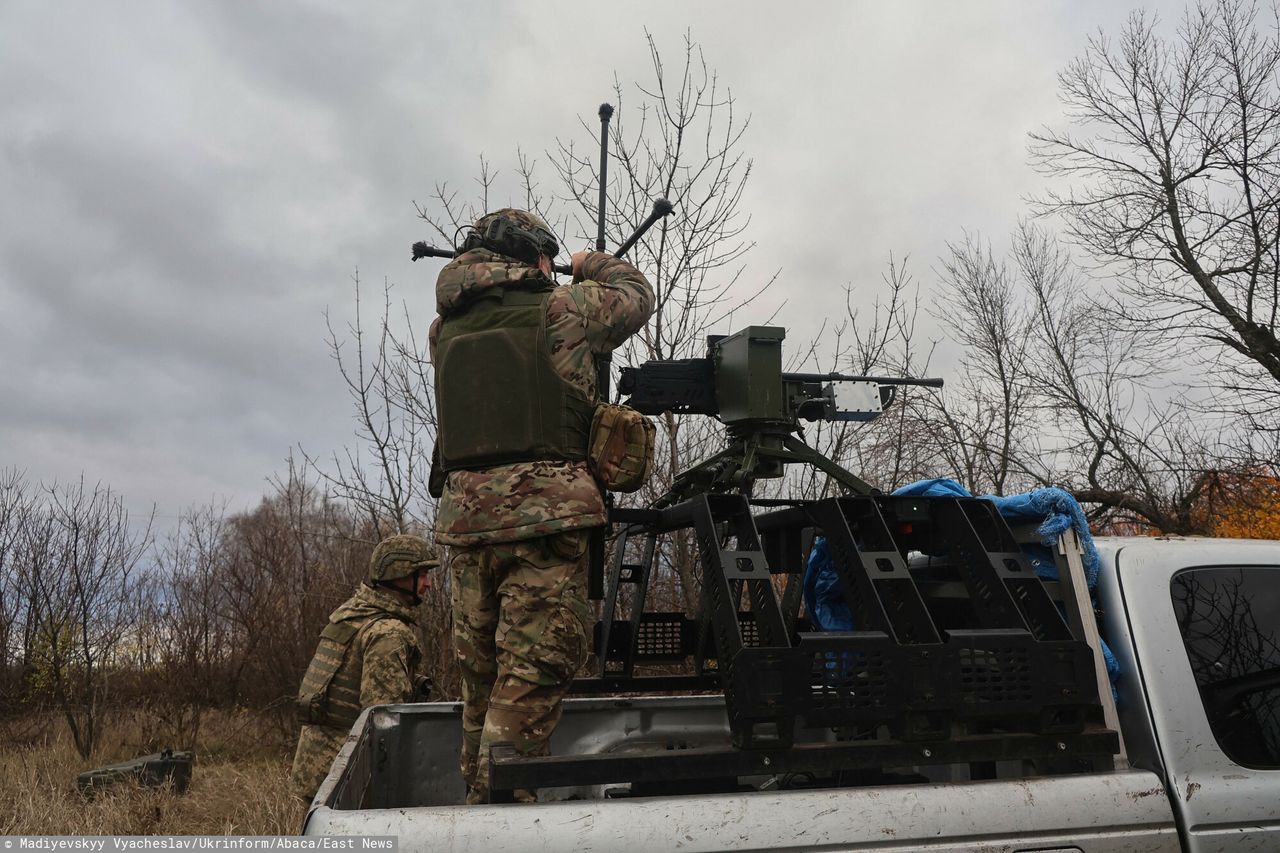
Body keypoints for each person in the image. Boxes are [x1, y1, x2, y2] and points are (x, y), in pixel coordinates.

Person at [429, 208, 655, 804]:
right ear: (534, 257)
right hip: (546, 520)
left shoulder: (442, 329)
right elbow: (636, 293)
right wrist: (588, 265)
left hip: (467, 524)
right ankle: (506, 810)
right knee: (531, 676)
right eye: (548, 261)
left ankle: (477, 803)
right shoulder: (563, 308)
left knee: (481, 680)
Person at [289, 534, 438, 801]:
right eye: (423, 573)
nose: (428, 583)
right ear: (400, 574)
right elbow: (383, 720)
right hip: (350, 779)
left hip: (319, 769)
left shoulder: (352, 613)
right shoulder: (387, 633)